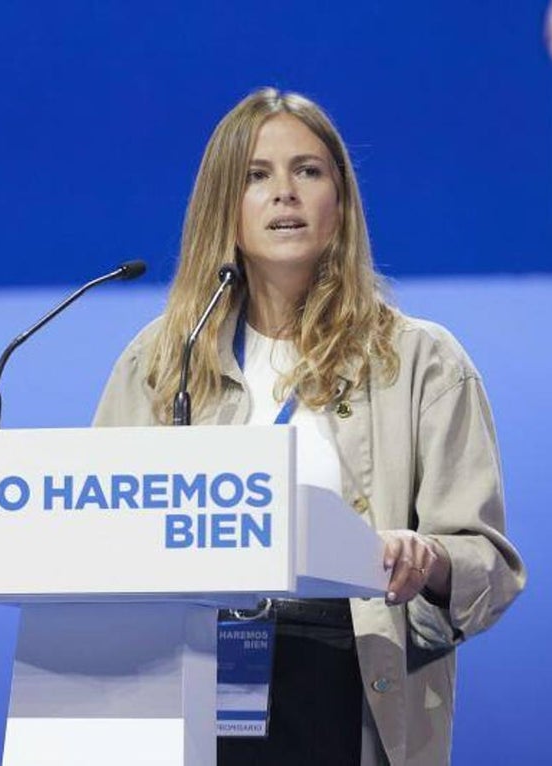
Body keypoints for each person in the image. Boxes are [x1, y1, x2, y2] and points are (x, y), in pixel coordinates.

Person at [93, 88, 525, 766]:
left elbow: (491, 568)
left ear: (341, 202)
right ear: (222, 209)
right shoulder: (161, 359)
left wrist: (429, 559)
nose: (284, 194)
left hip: (345, 683)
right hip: (191, 682)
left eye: (309, 171)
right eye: (256, 176)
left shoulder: (420, 361)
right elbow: (93, 533)